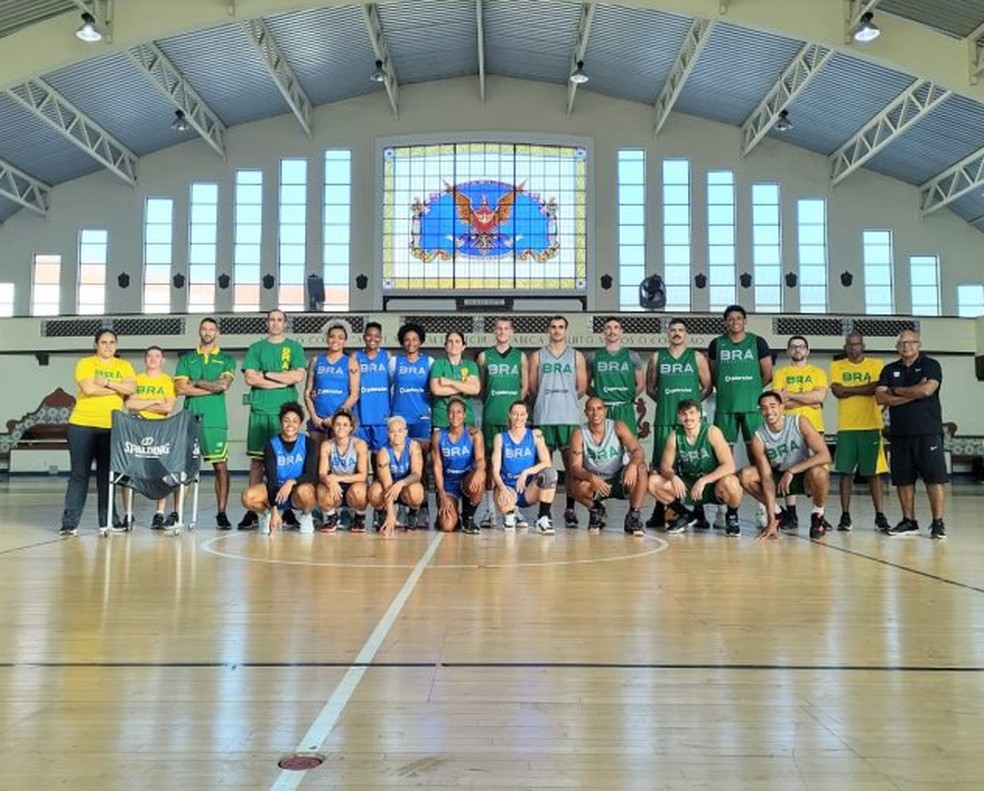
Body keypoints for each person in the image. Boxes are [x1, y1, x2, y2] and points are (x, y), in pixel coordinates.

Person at [59, 329, 137, 537]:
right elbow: (89, 389)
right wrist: (118, 388)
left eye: (112, 342)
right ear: (96, 344)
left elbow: (132, 389)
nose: (108, 346)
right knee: (79, 475)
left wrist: (108, 382)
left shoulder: (124, 365)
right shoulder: (85, 363)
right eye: (104, 342)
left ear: (117, 345)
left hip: (111, 426)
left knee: (107, 475)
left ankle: (108, 521)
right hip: (81, 424)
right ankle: (69, 524)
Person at [875, 330, 947, 539]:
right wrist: (913, 391)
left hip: (927, 432)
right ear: (897, 347)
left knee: (934, 479)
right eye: (902, 343)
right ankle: (909, 521)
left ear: (919, 344)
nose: (906, 346)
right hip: (899, 434)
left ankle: (938, 523)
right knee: (903, 480)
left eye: (910, 342)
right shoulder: (889, 369)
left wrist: (895, 391)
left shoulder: (931, 365)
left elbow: (927, 391)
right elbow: (880, 398)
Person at [239, 309, 307, 529]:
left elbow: (297, 375)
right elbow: (251, 377)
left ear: (285, 324)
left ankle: (286, 510)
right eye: (271, 319)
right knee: (258, 462)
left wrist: (267, 374)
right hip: (261, 412)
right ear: (266, 323)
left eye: (279, 320)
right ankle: (252, 511)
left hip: (285, 414)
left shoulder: (294, 347)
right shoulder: (256, 348)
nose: (275, 323)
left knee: (289, 462)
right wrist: (280, 381)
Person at [708, 304, 773, 529]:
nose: (735, 322)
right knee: (724, 458)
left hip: (752, 407)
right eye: (731, 319)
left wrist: (751, 391)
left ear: (745, 321)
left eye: (739, 318)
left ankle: (763, 508)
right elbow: (714, 374)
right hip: (726, 406)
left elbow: (767, 374)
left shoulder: (758, 342)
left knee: (757, 457)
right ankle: (722, 509)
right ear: (726, 322)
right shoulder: (717, 344)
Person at [644, 317, 711, 528]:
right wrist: (667, 401)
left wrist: (690, 409)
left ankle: (699, 511)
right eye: (673, 330)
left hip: (689, 422)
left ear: (686, 333)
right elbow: (650, 388)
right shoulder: (657, 357)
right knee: (659, 466)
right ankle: (659, 511)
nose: (676, 333)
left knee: (694, 464)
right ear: (668, 333)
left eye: (680, 330)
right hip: (665, 418)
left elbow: (707, 387)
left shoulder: (697, 357)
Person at [739, 391, 832, 540]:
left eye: (773, 406)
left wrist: (792, 471)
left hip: (803, 475)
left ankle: (818, 515)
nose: (769, 411)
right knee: (745, 475)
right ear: (760, 411)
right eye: (764, 408)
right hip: (779, 478)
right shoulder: (759, 438)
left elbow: (824, 455)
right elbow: (767, 478)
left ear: (782, 407)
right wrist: (770, 519)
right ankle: (778, 514)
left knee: (820, 473)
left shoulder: (799, 422)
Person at [174, 317, 237, 530]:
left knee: (220, 467)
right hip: (190, 419)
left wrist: (198, 382)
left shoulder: (227, 359)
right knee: (185, 468)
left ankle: (221, 513)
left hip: (216, 421)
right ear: (199, 331)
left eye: (211, 329)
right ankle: (177, 513)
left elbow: (224, 385)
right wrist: (213, 387)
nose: (208, 332)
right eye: (204, 328)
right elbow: (181, 389)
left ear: (217, 332)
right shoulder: (187, 358)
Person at [647, 399, 742, 536]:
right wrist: (673, 477)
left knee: (732, 482)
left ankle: (732, 517)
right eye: (684, 414)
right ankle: (686, 515)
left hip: (713, 484)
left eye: (692, 413)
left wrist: (704, 480)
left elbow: (729, 466)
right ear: (679, 417)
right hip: (689, 483)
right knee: (653, 482)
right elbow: (665, 466)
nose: (688, 417)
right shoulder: (675, 436)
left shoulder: (712, 432)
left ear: (699, 414)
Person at [529, 315, 587, 527]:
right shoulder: (538, 356)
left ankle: (570, 510)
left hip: (568, 418)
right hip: (544, 417)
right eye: (553, 327)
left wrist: (565, 399)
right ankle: (544, 512)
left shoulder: (576, 356)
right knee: (543, 466)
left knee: (572, 467)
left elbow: (581, 387)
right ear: (548, 330)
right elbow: (534, 388)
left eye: (561, 327)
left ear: (566, 330)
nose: (557, 330)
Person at [828, 332, 889, 532]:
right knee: (845, 473)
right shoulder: (837, 366)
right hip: (846, 427)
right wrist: (864, 388)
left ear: (863, 345)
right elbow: (837, 391)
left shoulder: (876, 364)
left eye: (857, 344)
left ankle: (879, 515)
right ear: (845, 347)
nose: (854, 348)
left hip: (871, 425)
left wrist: (850, 390)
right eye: (850, 345)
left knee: (873, 474)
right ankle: (845, 516)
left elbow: (876, 388)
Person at [770, 335, 828, 531]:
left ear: (807, 351)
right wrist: (808, 399)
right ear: (788, 351)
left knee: (818, 471)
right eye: (793, 347)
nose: (797, 349)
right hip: (788, 428)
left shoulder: (818, 372)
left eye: (801, 346)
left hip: (815, 427)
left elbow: (820, 396)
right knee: (789, 468)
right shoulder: (780, 373)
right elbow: (778, 401)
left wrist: (791, 396)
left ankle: (819, 514)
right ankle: (791, 514)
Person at [568, 397, 647, 536]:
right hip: (595, 481)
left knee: (641, 468)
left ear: (605, 410)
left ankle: (633, 516)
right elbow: (575, 467)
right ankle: (596, 510)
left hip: (619, 478)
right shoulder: (579, 433)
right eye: (591, 409)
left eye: (599, 408)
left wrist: (632, 465)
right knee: (572, 482)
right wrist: (591, 477)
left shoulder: (618, 426)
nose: (595, 413)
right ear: (585, 412)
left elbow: (638, 451)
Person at [476, 316, 528, 527]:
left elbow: (524, 388)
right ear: (494, 331)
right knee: (490, 465)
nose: (503, 331)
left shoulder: (521, 357)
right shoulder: (484, 356)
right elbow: (481, 388)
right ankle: (490, 511)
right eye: (499, 328)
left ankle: (514, 509)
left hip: (512, 421)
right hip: (491, 416)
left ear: (512, 331)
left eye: (506, 328)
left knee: (514, 464)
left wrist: (515, 410)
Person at [241, 401, 318, 535]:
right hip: (277, 489)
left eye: (294, 421)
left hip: (296, 490)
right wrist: (274, 510)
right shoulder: (271, 445)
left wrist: (291, 482)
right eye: (286, 421)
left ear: (300, 424)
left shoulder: (308, 443)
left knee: (307, 492)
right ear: (281, 422)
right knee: (247, 496)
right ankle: (268, 515)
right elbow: (271, 479)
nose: (290, 425)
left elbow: (311, 474)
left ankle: (306, 515)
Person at [124, 345, 178, 528]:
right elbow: (130, 404)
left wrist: (143, 404)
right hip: (137, 429)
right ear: (145, 359)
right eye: (149, 356)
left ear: (163, 360)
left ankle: (159, 514)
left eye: (157, 356)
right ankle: (128, 515)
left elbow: (168, 407)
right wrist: (155, 401)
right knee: (130, 472)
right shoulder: (135, 379)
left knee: (161, 473)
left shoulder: (167, 381)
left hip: (160, 429)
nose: (153, 359)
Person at [492, 400, 558, 534]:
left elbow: (547, 462)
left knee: (550, 474)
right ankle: (510, 514)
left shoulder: (535, 435)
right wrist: (503, 488)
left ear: (527, 416)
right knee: (509, 526)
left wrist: (526, 472)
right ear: (509, 415)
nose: (518, 417)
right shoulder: (500, 438)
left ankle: (543, 517)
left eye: (522, 414)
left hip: (528, 490)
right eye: (515, 414)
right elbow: (495, 470)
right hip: (508, 488)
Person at [432, 398, 485, 533]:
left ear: (465, 415)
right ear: (447, 415)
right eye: (451, 412)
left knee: (481, 475)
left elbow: (480, 459)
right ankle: (453, 515)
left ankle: (469, 516)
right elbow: (437, 466)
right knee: (447, 526)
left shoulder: (474, 434)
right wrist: (442, 494)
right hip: (449, 483)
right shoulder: (438, 436)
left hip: (467, 479)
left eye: (459, 412)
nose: (455, 415)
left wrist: (479, 471)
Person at [368, 415, 426, 536]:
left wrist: (401, 483)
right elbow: (387, 484)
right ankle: (381, 514)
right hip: (389, 486)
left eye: (400, 431)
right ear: (388, 433)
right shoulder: (383, 452)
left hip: (405, 485)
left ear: (406, 432)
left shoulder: (414, 446)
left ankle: (413, 513)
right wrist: (390, 514)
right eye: (392, 431)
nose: (396, 434)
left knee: (416, 491)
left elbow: (416, 474)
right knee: (374, 492)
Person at [304, 321, 359, 448]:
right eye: (332, 336)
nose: (335, 340)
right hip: (318, 419)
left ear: (345, 341)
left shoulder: (351, 362)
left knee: (338, 460)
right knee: (317, 460)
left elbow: (354, 394)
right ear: (327, 339)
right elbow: (307, 393)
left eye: (340, 338)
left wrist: (335, 417)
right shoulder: (316, 361)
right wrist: (314, 417)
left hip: (340, 420)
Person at [588, 316, 644, 436]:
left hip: (625, 408)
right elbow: (586, 385)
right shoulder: (593, 356)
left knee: (629, 445)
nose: (612, 331)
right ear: (603, 332)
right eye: (608, 328)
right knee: (602, 445)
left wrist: (627, 397)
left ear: (621, 331)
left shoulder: (632, 356)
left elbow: (640, 384)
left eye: (616, 328)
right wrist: (598, 398)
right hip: (603, 408)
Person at [316, 407, 369, 533]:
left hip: (354, 483)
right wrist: (329, 480)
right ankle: (332, 517)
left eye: (345, 425)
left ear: (351, 427)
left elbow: (362, 475)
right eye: (338, 424)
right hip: (335, 485)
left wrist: (337, 478)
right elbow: (322, 473)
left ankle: (359, 517)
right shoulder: (327, 445)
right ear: (333, 427)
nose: (341, 428)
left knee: (359, 492)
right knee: (322, 490)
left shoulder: (359, 444)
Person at [429, 330, 481, 430]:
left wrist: (449, 382)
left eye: (457, 341)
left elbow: (475, 390)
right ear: (445, 346)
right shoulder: (438, 364)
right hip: (442, 419)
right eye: (450, 341)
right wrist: (465, 386)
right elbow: (436, 390)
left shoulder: (471, 365)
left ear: (463, 346)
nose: (454, 344)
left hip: (466, 419)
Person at [353, 321, 391, 454]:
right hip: (361, 414)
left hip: (381, 414)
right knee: (360, 453)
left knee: (380, 455)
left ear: (381, 339)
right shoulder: (356, 356)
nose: (372, 339)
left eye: (376, 336)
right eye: (369, 335)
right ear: (363, 337)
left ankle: (378, 476)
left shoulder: (386, 356)